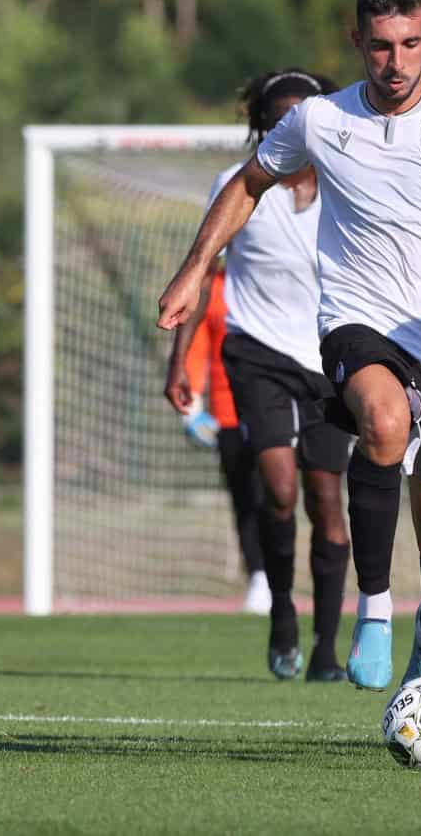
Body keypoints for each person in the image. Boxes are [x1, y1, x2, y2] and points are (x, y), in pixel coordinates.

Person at [158, 0, 421, 691]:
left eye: (408, 44)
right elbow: (246, 184)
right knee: (384, 418)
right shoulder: (319, 120)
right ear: (357, 43)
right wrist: (192, 271)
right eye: (379, 47)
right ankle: (374, 606)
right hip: (356, 321)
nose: (394, 62)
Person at [164, 69, 353, 683]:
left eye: (299, 118)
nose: (288, 128)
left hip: (330, 358)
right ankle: (279, 611)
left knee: (328, 502)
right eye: (276, 120)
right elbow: (204, 273)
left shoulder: (347, 185)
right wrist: (178, 361)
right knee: (279, 489)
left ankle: (327, 644)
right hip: (257, 353)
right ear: (264, 126)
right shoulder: (238, 185)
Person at [176, 255, 273, 618]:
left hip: (274, 407)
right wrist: (193, 408)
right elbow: (197, 346)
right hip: (227, 411)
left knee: (277, 494)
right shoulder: (213, 286)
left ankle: (283, 572)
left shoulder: (274, 276)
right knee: (244, 496)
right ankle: (259, 577)